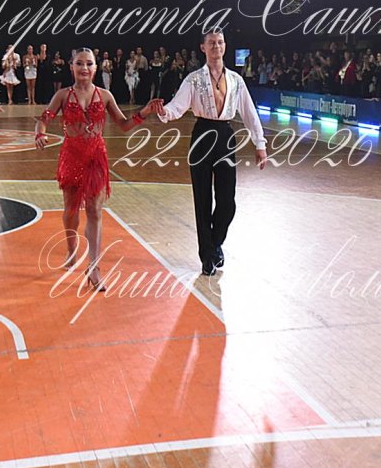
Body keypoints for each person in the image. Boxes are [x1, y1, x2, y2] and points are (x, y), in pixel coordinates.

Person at [34, 48, 161, 290]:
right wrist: (39, 133)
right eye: (80, 63)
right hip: (71, 157)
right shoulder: (63, 95)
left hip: (96, 158)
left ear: (96, 67)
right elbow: (44, 118)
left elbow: (123, 125)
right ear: (72, 66)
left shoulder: (105, 95)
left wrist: (144, 112)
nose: (84, 68)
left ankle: (94, 268)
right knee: (71, 211)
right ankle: (72, 248)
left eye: (89, 64)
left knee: (94, 211)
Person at [155, 30, 268, 276]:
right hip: (202, 136)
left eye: (220, 42)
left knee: (227, 202)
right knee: (202, 199)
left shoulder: (236, 80)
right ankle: (207, 256)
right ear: (203, 47)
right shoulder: (193, 79)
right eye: (211, 43)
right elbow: (177, 107)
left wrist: (260, 144)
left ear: (225, 46)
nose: (216, 46)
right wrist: (163, 112)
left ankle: (215, 244)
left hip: (225, 136)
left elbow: (249, 113)